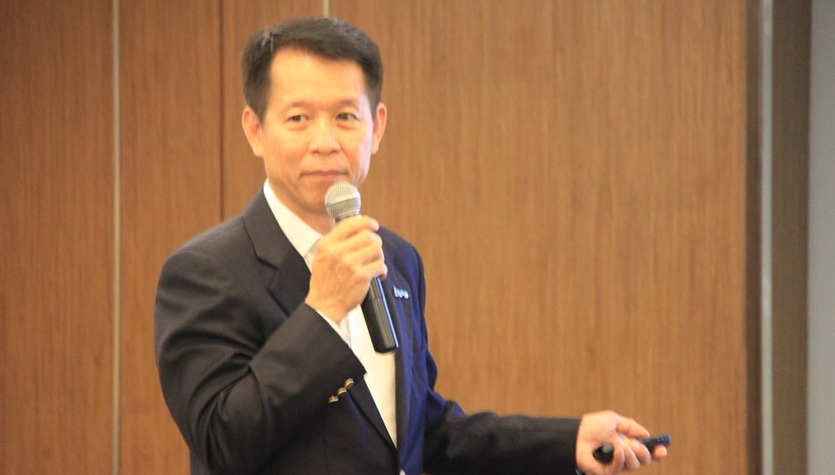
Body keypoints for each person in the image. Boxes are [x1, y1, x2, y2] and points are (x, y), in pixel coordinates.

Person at [154, 16, 668, 475]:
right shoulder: (205, 270)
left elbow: (421, 431)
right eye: (298, 118)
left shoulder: (396, 259)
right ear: (255, 130)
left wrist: (565, 442)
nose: (324, 142)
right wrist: (323, 312)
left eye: (345, 117)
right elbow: (222, 442)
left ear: (376, 128)